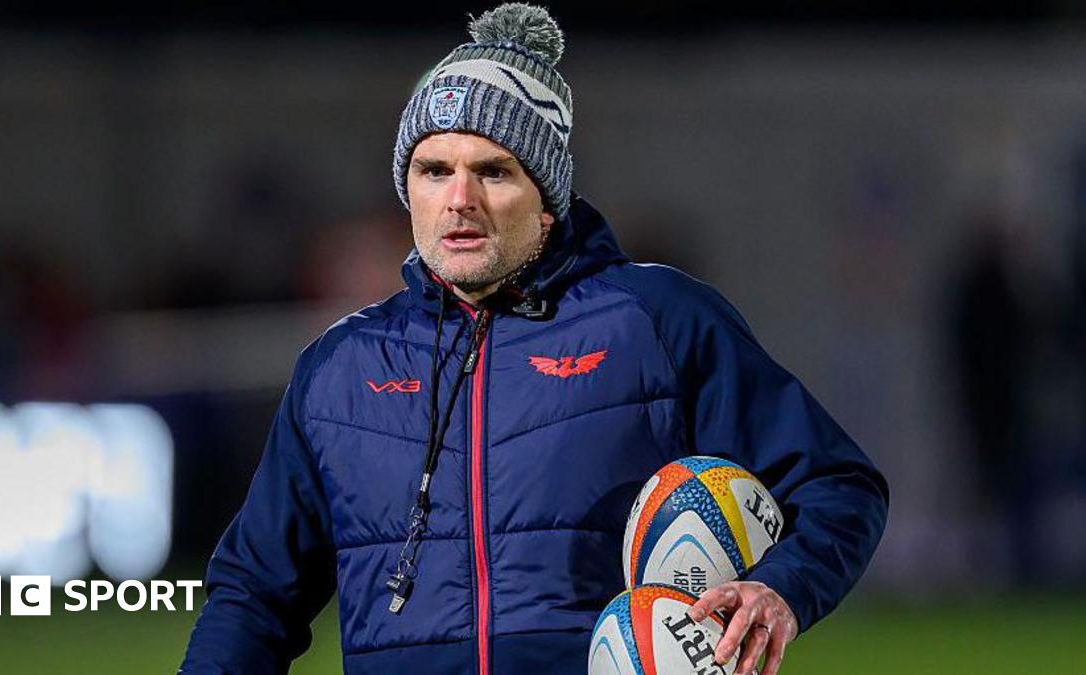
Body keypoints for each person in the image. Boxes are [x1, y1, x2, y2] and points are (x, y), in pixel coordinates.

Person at [179, 4, 888, 674]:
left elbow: (836, 485)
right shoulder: (339, 369)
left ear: (547, 202)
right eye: (434, 171)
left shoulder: (657, 321)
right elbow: (253, 593)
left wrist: (781, 591)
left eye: (493, 171)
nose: (460, 199)